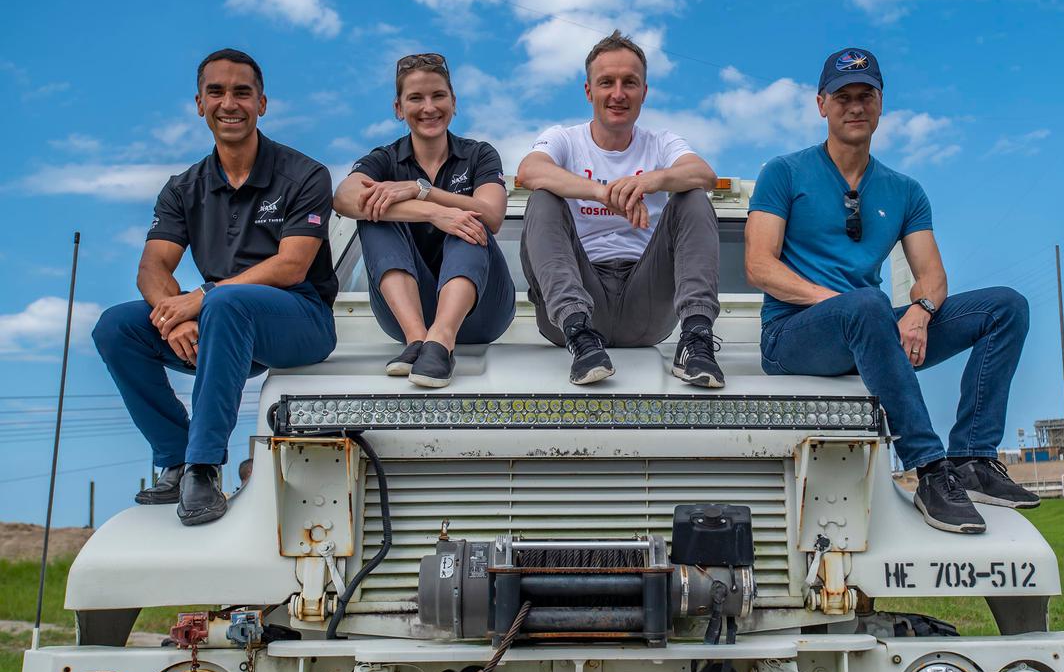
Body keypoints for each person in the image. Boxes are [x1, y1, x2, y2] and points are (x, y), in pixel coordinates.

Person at [744, 46, 1038, 534]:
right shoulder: (785, 172)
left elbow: (933, 275)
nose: (855, 106)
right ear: (821, 104)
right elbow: (758, 266)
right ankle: (928, 469)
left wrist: (920, 311)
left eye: (866, 95)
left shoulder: (904, 190)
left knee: (1006, 307)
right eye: (843, 97)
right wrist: (845, 306)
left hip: (875, 327)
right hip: (793, 334)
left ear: (881, 104)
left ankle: (973, 458)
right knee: (868, 304)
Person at [93, 49, 338, 526]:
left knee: (225, 300)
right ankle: (178, 456)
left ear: (262, 103)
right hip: (219, 321)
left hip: (300, 321)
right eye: (217, 92)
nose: (230, 103)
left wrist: (200, 301)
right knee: (115, 327)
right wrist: (171, 316)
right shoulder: (183, 187)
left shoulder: (305, 175)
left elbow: (292, 265)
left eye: (242, 92)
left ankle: (205, 465)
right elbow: (152, 266)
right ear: (199, 103)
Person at [517, 30, 724, 387]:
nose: (618, 94)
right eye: (606, 82)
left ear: (644, 92)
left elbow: (704, 174)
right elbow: (529, 170)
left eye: (630, 83)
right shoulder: (564, 139)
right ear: (588, 91)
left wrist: (651, 181)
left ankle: (696, 338)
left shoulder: (661, 143)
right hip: (577, 297)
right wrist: (602, 192)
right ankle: (580, 336)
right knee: (543, 195)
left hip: (646, 302)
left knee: (692, 195)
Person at [333, 53, 514, 387]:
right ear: (399, 109)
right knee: (373, 213)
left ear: (454, 102)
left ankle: (441, 341)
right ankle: (418, 341)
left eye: (438, 96)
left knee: (469, 221)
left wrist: (423, 192)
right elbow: (344, 199)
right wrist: (434, 213)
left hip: (482, 312)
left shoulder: (479, 154)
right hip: (404, 319)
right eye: (415, 98)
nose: (429, 107)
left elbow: (492, 214)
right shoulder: (384, 159)